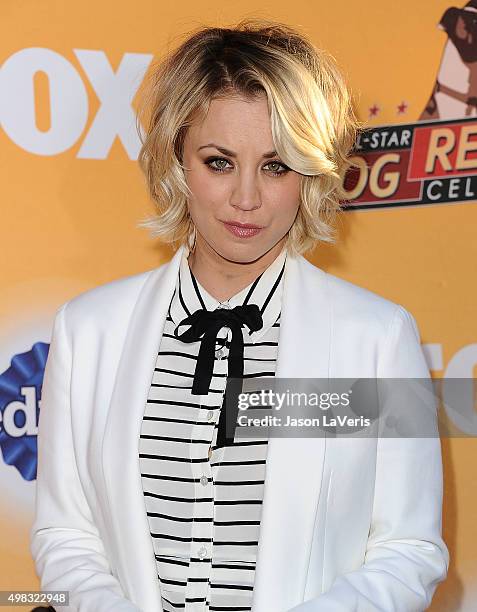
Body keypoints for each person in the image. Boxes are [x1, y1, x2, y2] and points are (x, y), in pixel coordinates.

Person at [30, 18, 449, 612]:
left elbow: (408, 549)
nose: (246, 198)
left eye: (276, 166)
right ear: (177, 160)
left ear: (311, 172)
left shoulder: (378, 339)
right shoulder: (88, 331)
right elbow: (66, 536)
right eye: (219, 162)